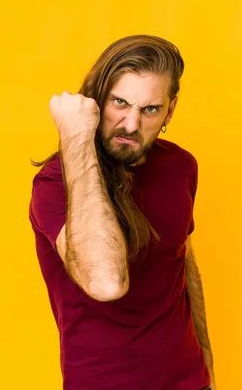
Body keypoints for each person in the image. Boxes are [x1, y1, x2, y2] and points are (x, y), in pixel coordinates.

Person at [29, 34, 216, 390]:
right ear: (95, 99)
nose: (131, 125)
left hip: (190, 382)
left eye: (149, 109)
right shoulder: (56, 184)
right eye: (119, 103)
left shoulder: (181, 166)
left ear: (170, 111)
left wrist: (206, 360)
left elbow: (181, 260)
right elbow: (105, 281)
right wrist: (76, 137)